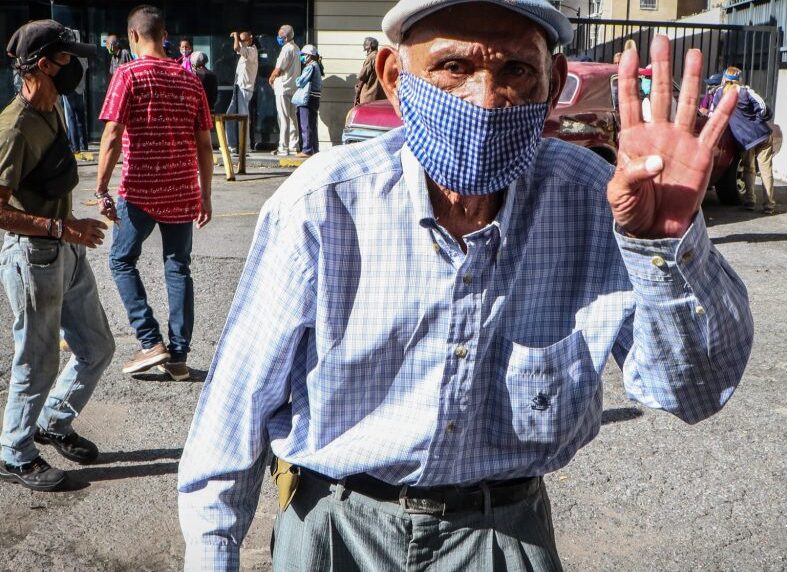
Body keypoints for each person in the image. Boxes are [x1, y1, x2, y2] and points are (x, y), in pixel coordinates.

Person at [176, 0, 753, 567]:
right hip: (336, 529)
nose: (486, 100)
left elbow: (694, 394)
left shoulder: (594, 202)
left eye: (516, 70)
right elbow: (237, 407)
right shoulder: (324, 204)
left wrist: (663, 244)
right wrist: (212, 552)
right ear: (395, 78)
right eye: (453, 67)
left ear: (552, 85)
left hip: (504, 533)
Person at [0, 19, 113, 492]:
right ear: (42, 65)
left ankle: (52, 421)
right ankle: (15, 455)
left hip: (65, 251)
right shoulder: (15, 127)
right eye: (67, 58)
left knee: (97, 347)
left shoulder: (52, 108)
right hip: (34, 256)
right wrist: (61, 228)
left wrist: (68, 228)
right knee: (37, 361)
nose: (76, 67)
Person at [95, 5, 214, 381]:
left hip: (139, 191)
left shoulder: (128, 74)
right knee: (178, 268)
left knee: (121, 261)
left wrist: (101, 188)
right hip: (182, 190)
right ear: (165, 36)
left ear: (132, 36)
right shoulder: (190, 80)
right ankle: (177, 357)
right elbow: (205, 145)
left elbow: (112, 135)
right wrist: (206, 195)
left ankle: (150, 342)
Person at [716, 67, 776, 214]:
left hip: (744, 140)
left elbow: (714, 114)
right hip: (761, 134)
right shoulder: (745, 91)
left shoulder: (719, 94)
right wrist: (758, 120)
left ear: (724, 79)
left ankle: (750, 201)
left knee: (749, 169)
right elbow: (763, 107)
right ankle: (768, 205)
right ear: (739, 79)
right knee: (766, 170)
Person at [268, 24, 301, 156]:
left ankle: (283, 147)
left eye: (280, 35)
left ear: (286, 37)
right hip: (293, 88)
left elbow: (278, 69)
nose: (278, 38)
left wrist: (271, 78)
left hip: (283, 88)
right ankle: (294, 146)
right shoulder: (297, 48)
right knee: (293, 118)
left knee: (283, 118)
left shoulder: (286, 49)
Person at [225, 30, 258, 151]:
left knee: (243, 117)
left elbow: (236, 48)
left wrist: (235, 36)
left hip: (245, 88)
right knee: (230, 116)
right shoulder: (246, 51)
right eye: (240, 40)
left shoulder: (252, 51)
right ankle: (232, 144)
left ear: (250, 39)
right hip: (238, 87)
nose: (241, 42)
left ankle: (245, 146)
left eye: (243, 40)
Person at [293, 44, 323, 157]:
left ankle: (307, 150)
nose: (301, 57)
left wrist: (297, 79)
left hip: (308, 99)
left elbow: (300, 82)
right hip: (314, 99)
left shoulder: (310, 67)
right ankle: (314, 149)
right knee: (312, 124)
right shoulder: (317, 66)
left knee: (305, 125)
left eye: (303, 55)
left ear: (309, 56)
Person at [61, 57, 88, 151]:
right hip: (80, 89)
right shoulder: (83, 58)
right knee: (81, 118)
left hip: (69, 89)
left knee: (71, 117)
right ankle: (83, 145)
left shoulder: (68, 58)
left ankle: (75, 146)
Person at [354, 36, 385, 106]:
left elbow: (362, 78)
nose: (363, 45)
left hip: (369, 96)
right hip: (380, 96)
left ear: (370, 46)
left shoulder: (371, 58)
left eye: (365, 44)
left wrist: (358, 92)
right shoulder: (380, 56)